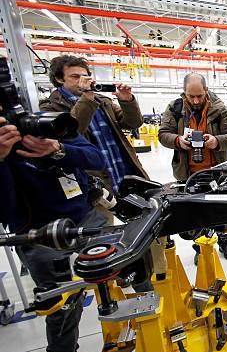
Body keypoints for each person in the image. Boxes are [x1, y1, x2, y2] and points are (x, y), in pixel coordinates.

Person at [0, 116, 107, 352]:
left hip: (86, 218)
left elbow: (96, 159)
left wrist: (59, 149)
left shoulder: (44, 127)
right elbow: (4, 210)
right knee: (63, 302)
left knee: (130, 267)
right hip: (40, 235)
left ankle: (147, 331)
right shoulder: (5, 145)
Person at [39, 55, 153, 292]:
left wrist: (127, 100)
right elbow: (70, 132)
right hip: (94, 185)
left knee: (146, 229)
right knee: (105, 238)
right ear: (59, 80)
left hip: (125, 174)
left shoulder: (102, 100)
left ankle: (145, 278)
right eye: (75, 76)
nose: (82, 81)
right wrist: (86, 98)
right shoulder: (51, 107)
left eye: (85, 76)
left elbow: (133, 123)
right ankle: (117, 283)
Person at [159, 73, 227, 260]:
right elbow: (163, 134)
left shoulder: (219, 109)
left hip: (218, 172)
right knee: (196, 213)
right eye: (191, 96)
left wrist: (216, 141)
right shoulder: (175, 108)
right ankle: (201, 247)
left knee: (221, 211)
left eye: (200, 96)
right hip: (188, 173)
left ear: (206, 90)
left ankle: (224, 241)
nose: (196, 101)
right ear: (184, 93)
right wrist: (178, 140)